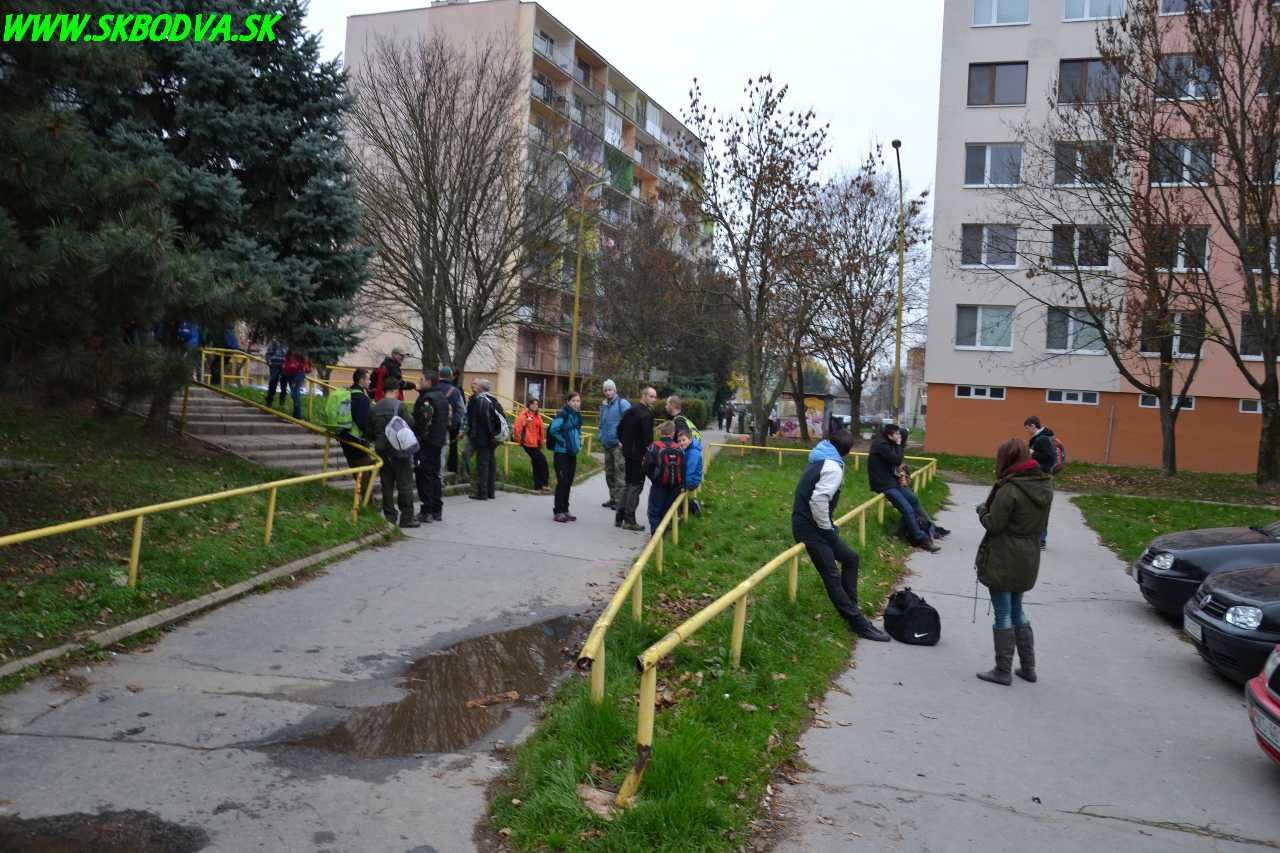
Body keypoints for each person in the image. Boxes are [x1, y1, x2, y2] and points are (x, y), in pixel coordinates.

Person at [792, 430, 891, 641]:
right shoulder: (832, 467)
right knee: (832, 577)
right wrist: (827, 528)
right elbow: (818, 500)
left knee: (850, 558)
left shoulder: (820, 456)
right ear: (846, 452)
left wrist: (828, 526)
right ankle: (858, 624)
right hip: (811, 529)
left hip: (814, 525)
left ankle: (852, 611)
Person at [975, 437, 1053, 685]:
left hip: (1004, 555)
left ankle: (1002, 670)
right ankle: (1028, 668)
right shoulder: (1044, 486)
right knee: (1017, 609)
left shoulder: (1010, 489)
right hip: (1028, 554)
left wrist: (982, 511)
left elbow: (994, 524)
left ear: (1006, 459)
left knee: (1003, 613)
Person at [868, 423, 945, 553]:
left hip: (893, 482)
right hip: (883, 484)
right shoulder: (881, 445)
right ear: (889, 435)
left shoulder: (888, 443)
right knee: (908, 509)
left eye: (899, 434)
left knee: (913, 500)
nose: (899, 436)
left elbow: (898, 460)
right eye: (897, 434)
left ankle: (923, 528)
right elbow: (897, 460)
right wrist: (899, 445)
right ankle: (922, 539)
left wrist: (898, 445)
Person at [368, 392, 418, 528]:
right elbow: (411, 424)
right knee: (404, 484)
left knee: (387, 484)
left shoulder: (375, 407)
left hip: (382, 451)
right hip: (399, 450)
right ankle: (407, 517)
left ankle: (390, 516)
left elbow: (368, 430)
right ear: (396, 390)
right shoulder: (399, 405)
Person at [616, 385, 657, 531]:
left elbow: (619, 429)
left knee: (628, 484)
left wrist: (623, 443)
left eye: (655, 397)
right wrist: (647, 455)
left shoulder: (630, 411)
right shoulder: (646, 414)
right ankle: (629, 519)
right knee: (636, 486)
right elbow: (647, 439)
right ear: (644, 396)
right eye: (651, 396)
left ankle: (619, 516)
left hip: (628, 453)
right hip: (639, 456)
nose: (654, 399)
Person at [412, 370, 449, 523]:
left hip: (426, 443)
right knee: (434, 475)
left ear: (429, 382)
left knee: (424, 475)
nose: (419, 381)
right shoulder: (441, 397)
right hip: (438, 441)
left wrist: (419, 438)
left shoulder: (427, 398)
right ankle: (437, 509)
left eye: (421, 379)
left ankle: (426, 510)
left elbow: (424, 422)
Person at [338, 368, 375, 495]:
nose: (370, 382)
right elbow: (363, 423)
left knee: (357, 473)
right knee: (365, 476)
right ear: (361, 381)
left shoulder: (347, 394)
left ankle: (363, 502)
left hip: (345, 438)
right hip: (357, 441)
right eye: (368, 379)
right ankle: (367, 505)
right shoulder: (361, 399)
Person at [548, 392, 583, 522]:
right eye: (573, 400)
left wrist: (578, 443)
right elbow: (553, 429)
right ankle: (558, 511)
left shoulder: (577, 415)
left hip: (572, 452)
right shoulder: (562, 414)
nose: (576, 403)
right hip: (561, 452)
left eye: (578, 401)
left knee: (568, 481)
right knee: (562, 481)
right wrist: (563, 441)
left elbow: (577, 431)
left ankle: (565, 510)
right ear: (568, 402)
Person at [466, 378, 504, 500]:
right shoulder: (494, 400)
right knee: (491, 464)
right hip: (494, 439)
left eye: (477, 386)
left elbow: (483, 420)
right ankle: (490, 492)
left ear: (481, 388)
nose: (475, 387)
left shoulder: (481, 401)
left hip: (484, 438)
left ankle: (482, 493)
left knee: (482, 465)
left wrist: (481, 435)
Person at [643, 422, 684, 533]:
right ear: (673, 433)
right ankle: (666, 538)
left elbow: (646, 467)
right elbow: (683, 468)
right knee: (668, 511)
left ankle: (656, 537)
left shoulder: (654, 447)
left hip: (659, 485)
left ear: (661, 432)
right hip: (674, 486)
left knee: (654, 511)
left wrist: (654, 478)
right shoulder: (679, 448)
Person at [1024, 416, 1056, 551]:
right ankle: (1037, 538)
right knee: (1037, 506)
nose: (1027, 431)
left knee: (1040, 507)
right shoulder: (1044, 437)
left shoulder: (1042, 439)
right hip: (1041, 476)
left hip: (1041, 476)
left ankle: (1041, 540)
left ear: (1033, 425)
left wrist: (1033, 454)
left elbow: (1050, 457)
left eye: (1027, 428)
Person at [598, 379, 631, 511]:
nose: (608, 392)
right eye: (605, 390)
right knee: (609, 474)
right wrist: (601, 436)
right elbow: (601, 423)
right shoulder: (605, 406)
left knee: (620, 474)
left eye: (610, 389)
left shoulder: (622, 404)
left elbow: (630, 421)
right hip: (607, 444)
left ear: (615, 390)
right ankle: (613, 498)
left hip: (618, 446)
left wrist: (623, 439)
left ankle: (619, 501)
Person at [514, 398, 549, 491]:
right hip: (528, 443)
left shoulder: (538, 416)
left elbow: (541, 430)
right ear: (529, 405)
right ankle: (544, 483)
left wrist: (541, 442)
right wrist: (520, 440)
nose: (535, 406)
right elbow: (517, 428)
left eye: (536, 404)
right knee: (542, 460)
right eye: (533, 404)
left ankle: (538, 486)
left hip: (536, 442)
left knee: (537, 463)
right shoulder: (523, 415)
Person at [439, 366, 466, 477]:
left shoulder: (432, 387)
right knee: (446, 448)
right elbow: (461, 409)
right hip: (449, 424)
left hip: (432, 425)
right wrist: (455, 422)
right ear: (451, 376)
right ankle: (446, 471)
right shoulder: (455, 391)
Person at [677, 426, 703, 514]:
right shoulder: (688, 449)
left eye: (683, 440)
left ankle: (691, 506)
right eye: (679, 441)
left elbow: (690, 471)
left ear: (690, 439)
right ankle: (690, 505)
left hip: (692, 481)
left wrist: (684, 487)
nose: (681, 443)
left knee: (674, 491)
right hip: (689, 479)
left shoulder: (693, 453)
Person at [281, 349, 311, 420]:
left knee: (295, 394)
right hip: (291, 374)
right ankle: (296, 414)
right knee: (294, 394)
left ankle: (298, 415)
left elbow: (305, 361)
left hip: (298, 374)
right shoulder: (289, 351)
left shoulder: (300, 350)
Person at [264, 339, 287, 407]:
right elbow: (268, 354)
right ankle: (269, 400)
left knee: (284, 383)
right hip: (275, 365)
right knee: (273, 381)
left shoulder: (288, 343)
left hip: (285, 366)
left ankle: (282, 400)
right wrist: (270, 363)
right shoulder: (274, 343)